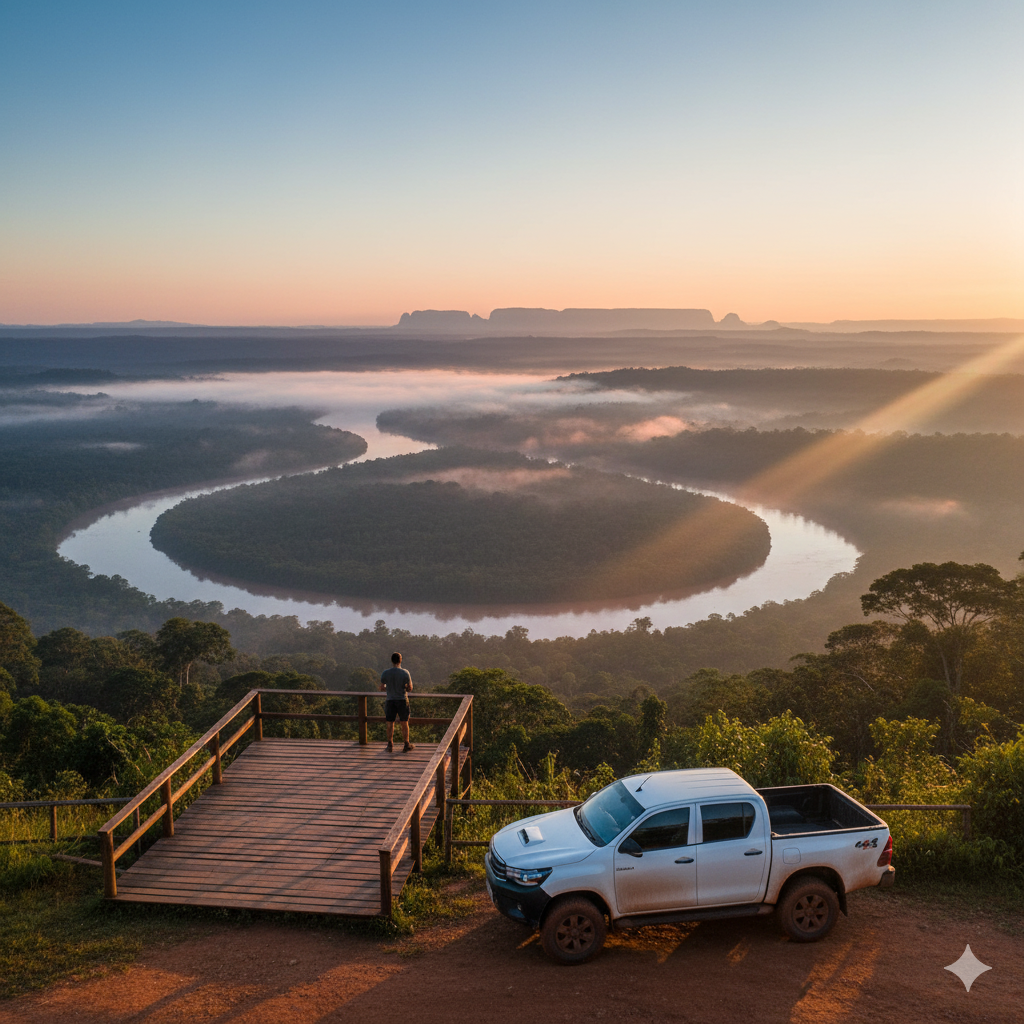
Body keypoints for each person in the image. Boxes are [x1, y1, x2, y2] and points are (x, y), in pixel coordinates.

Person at [379, 652, 415, 752]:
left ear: (392, 660)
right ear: (400, 660)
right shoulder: (405, 673)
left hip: (390, 700)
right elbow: (410, 688)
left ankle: (390, 744)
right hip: (402, 700)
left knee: (390, 722)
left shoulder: (385, 673)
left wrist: (389, 687)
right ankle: (406, 744)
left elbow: (382, 687)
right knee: (404, 722)